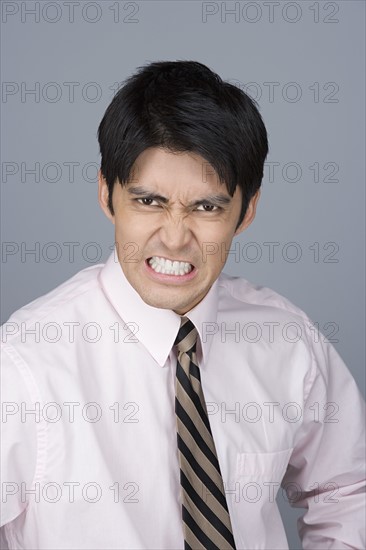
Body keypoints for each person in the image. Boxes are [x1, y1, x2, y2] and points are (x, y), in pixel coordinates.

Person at [1, 60, 364, 550]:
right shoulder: (25, 362)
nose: (174, 238)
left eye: (206, 207)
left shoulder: (286, 341)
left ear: (247, 210)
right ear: (106, 194)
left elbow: (347, 489)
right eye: (149, 202)